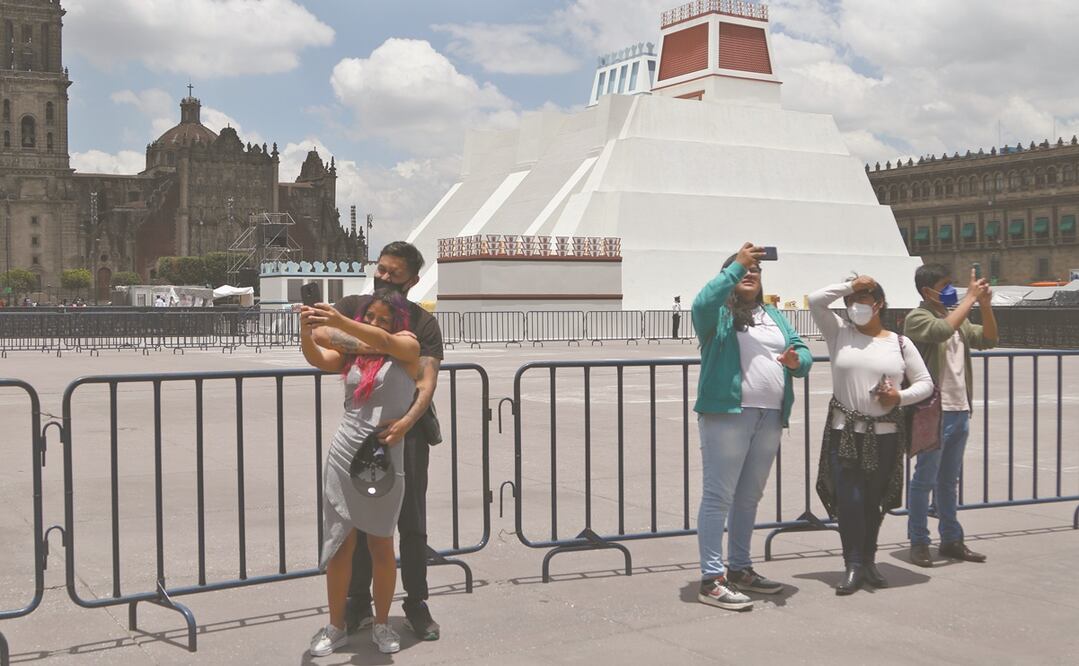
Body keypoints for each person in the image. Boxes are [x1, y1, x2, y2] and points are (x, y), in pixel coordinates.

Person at [312, 241, 444, 641]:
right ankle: (357, 604)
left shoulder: (421, 322)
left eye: (394, 273)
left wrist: (405, 422)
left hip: (407, 433)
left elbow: (427, 380)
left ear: (413, 280)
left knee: (411, 522)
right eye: (381, 269)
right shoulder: (356, 304)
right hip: (360, 433)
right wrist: (382, 343)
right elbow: (321, 331)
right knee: (357, 522)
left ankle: (416, 602)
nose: (384, 277)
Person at [691, 242, 813, 611]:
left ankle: (740, 568)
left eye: (755, 271)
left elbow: (801, 350)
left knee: (748, 497)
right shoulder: (718, 315)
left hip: (770, 415)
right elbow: (701, 303)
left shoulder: (773, 315)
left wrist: (796, 361)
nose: (750, 275)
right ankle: (711, 579)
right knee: (718, 495)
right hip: (729, 413)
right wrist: (735, 267)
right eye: (743, 270)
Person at [300, 289, 420, 656]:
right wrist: (306, 333)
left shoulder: (406, 346)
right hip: (344, 451)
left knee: (381, 542)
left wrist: (339, 322)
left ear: (397, 322)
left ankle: (381, 624)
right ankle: (336, 624)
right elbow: (320, 358)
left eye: (384, 319)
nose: (375, 324)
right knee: (340, 544)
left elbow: (384, 341)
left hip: (383, 457)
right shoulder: (357, 352)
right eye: (371, 316)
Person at [809, 275, 932, 595]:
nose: (854, 306)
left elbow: (925, 383)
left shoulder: (899, 342)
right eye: (851, 301)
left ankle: (868, 560)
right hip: (845, 433)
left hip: (885, 433)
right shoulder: (839, 333)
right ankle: (852, 562)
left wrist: (898, 397)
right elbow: (816, 300)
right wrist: (850, 285)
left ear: (878, 305)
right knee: (849, 500)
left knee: (873, 502)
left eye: (862, 300)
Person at [904, 265, 997, 567]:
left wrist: (983, 305)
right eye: (944, 285)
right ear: (926, 291)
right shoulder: (917, 318)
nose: (950, 291)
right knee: (924, 479)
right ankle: (919, 541)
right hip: (933, 412)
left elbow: (990, 338)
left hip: (959, 410)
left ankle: (951, 539)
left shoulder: (959, 317)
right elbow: (941, 331)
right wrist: (971, 298)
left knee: (948, 481)